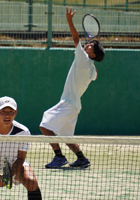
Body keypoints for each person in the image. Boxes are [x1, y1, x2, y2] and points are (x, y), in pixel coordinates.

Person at [39, 7, 105, 169]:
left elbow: (76, 39)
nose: (87, 45)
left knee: (45, 125)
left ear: (93, 54)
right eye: (88, 43)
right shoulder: (91, 68)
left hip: (68, 103)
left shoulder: (83, 59)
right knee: (66, 135)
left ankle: (59, 157)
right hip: (74, 106)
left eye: (90, 46)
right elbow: (94, 73)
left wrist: (69, 20)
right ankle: (82, 159)